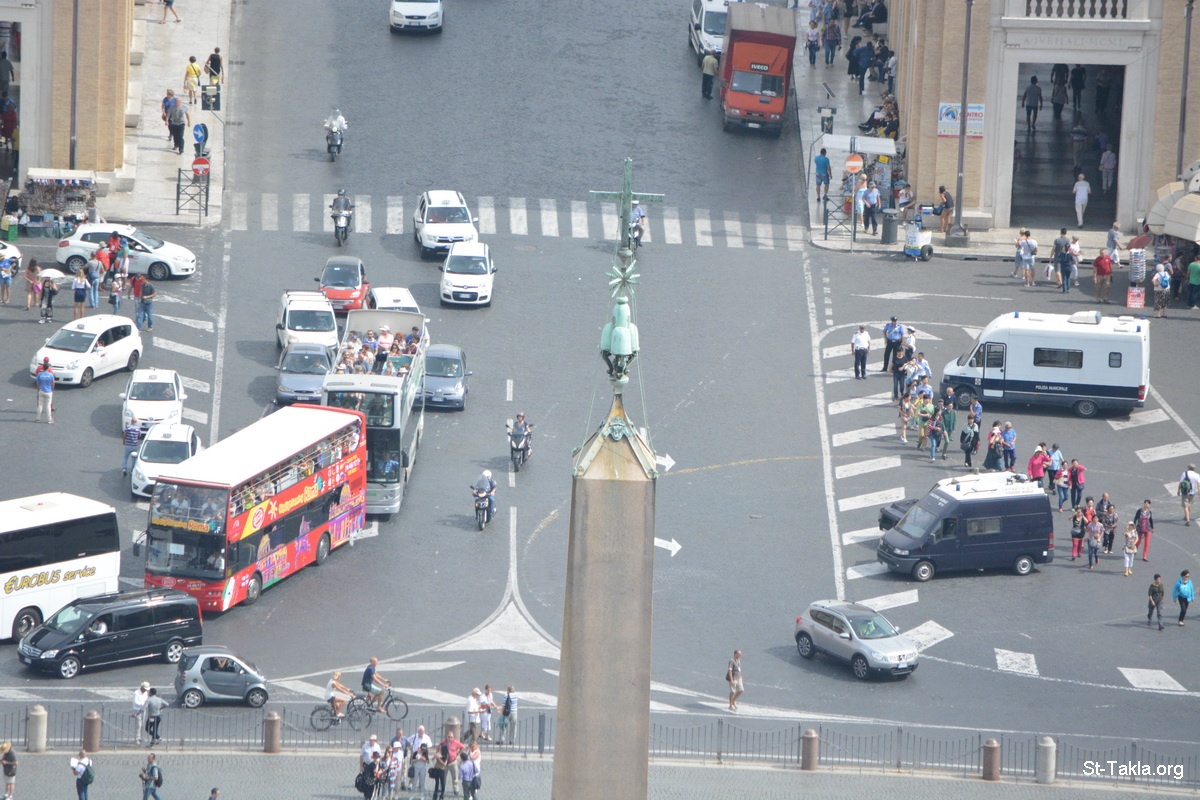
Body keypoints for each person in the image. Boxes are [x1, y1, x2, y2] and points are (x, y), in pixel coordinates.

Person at [34, 358, 54, 424]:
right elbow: (53, 383)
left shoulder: (40, 374)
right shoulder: (51, 374)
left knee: (40, 405)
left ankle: (37, 419)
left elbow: (37, 382)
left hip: (41, 390)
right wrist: (52, 389)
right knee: (48, 405)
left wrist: (39, 388)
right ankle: (49, 419)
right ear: (48, 367)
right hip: (48, 391)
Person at [131, 681, 151, 745]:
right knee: (138, 725)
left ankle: (140, 737)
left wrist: (145, 705)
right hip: (137, 710)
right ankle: (137, 738)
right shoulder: (136, 693)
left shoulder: (145, 693)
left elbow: (146, 700)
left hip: (143, 710)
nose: (146, 691)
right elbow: (136, 702)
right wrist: (144, 704)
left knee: (142, 724)